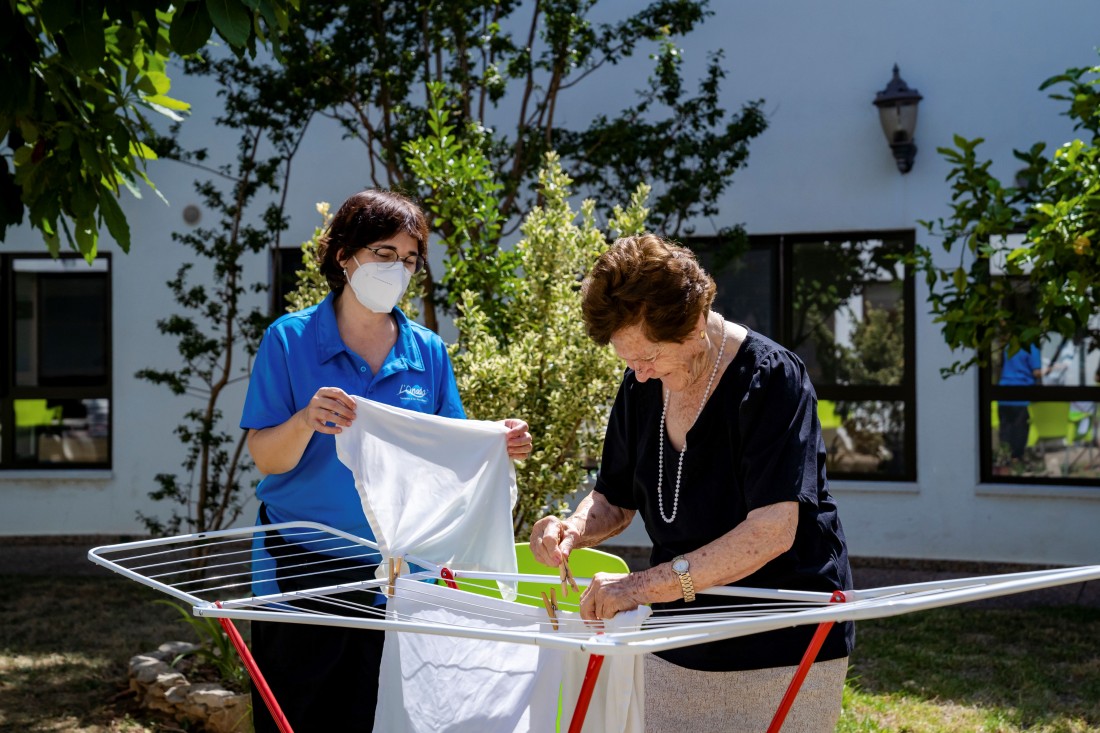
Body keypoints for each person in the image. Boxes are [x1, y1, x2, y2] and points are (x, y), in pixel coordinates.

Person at [530, 234, 854, 733]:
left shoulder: (772, 380)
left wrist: (639, 587)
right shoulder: (641, 384)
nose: (640, 375)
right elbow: (614, 496)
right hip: (677, 633)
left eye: (649, 357)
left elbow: (771, 531)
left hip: (780, 637)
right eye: (628, 361)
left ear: (695, 323)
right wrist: (572, 528)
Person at [241, 189, 533, 733]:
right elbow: (266, 459)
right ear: (344, 255)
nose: (397, 268)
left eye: (409, 259)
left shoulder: (427, 351)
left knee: (390, 718)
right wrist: (304, 421)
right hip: (302, 569)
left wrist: (499, 443)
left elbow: (450, 455)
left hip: (401, 579)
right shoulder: (289, 340)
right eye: (383, 253)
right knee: (301, 720)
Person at [997, 343, 1044, 461]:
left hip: (1004, 393)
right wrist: (1049, 370)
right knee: (1019, 431)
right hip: (1021, 394)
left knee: (1006, 429)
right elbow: (1036, 372)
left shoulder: (1009, 346)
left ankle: (1004, 459)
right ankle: (1017, 459)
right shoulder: (1031, 347)